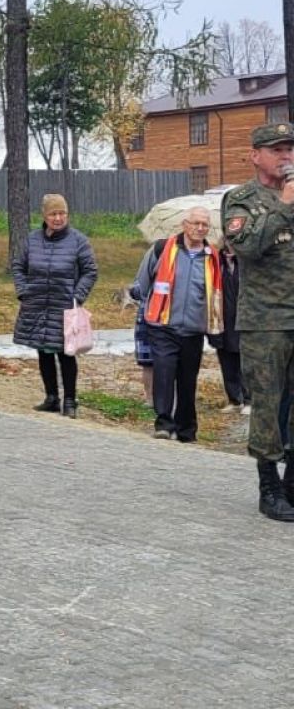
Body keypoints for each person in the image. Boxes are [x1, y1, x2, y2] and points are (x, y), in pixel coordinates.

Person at [221, 121, 294, 521]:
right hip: (265, 321)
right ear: (256, 155)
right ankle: (269, 487)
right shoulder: (241, 199)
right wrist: (284, 204)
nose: (286, 156)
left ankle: (292, 484)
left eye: (290, 149)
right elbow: (246, 246)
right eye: (277, 149)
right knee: (267, 404)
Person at [131, 207, 223, 442]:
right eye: (195, 223)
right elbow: (142, 282)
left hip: (193, 329)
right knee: (164, 370)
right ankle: (163, 422)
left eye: (205, 225)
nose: (200, 228)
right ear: (184, 224)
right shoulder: (163, 249)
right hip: (162, 325)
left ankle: (186, 429)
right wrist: (140, 300)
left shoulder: (212, 256)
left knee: (187, 379)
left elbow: (216, 294)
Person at [11, 193, 98, 419]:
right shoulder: (32, 240)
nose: (58, 218)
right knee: (43, 351)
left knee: (66, 353)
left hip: (64, 306)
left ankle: (70, 400)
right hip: (37, 304)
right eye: (53, 214)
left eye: (62, 213)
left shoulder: (79, 241)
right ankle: (51, 397)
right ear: (45, 216)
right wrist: (23, 291)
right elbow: (18, 266)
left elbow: (90, 271)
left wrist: (77, 296)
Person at [207, 244, 249, 415]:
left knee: (245, 363)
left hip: (243, 320)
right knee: (226, 361)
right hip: (221, 320)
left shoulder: (247, 263)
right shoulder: (216, 263)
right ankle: (234, 399)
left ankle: (249, 399)